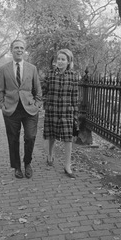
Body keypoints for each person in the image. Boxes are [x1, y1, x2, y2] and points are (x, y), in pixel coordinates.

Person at [0, 39, 42, 179]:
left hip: (29, 110)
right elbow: (0, 91)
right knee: (13, 139)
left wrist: (37, 106)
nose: (19, 50)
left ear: (24, 50)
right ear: (11, 50)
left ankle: (27, 163)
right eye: (16, 48)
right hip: (11, 110)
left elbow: (38, 91)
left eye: (22, 48)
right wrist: (3, 105)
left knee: (30, 137)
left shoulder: (32, 68)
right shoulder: (4, 69)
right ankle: (17, 167)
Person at [42, 49, 79, 179]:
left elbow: (75, 96)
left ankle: (67, 165)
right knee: (51, 135)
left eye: (63, 59)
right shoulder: (50, 74)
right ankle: (50, 155)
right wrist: (46, 104)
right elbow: (43, 91)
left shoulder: (73, 76)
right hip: (52, 110)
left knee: (68, 139)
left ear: (68, 62)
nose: (60, 62)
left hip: (66, 111)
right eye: (58, 59)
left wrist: (75, 113)